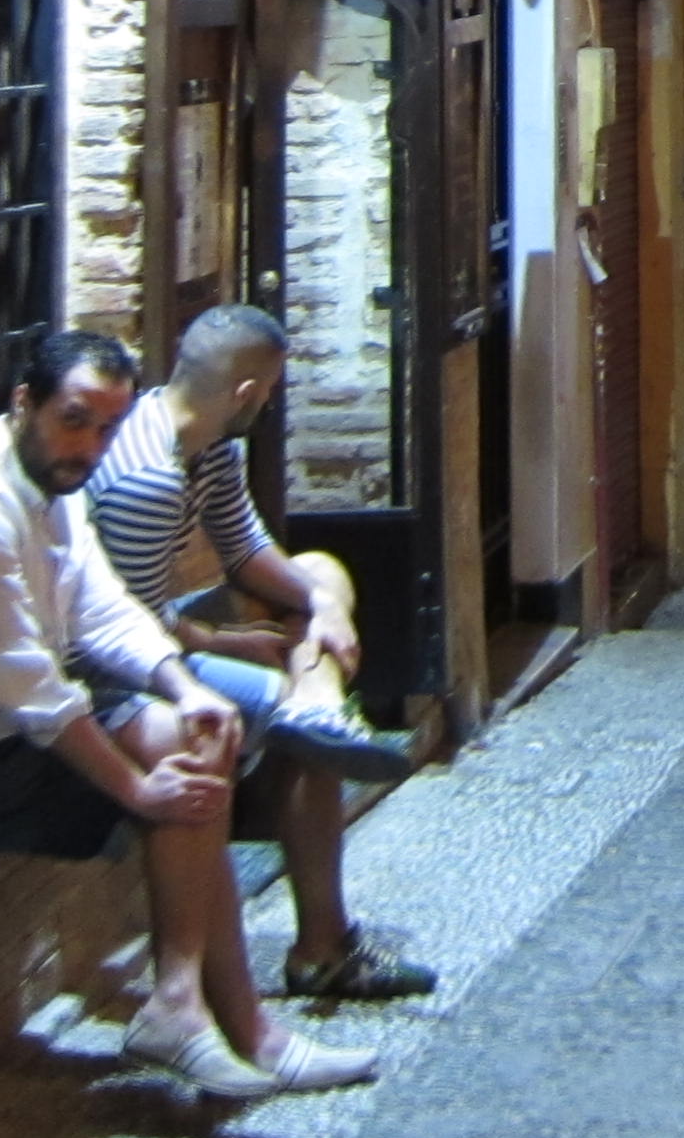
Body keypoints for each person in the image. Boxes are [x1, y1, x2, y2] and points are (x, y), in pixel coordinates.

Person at [0, 328, 374, 1100]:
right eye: (75, 421)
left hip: (22, 722)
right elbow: (37, 693)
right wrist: (136, 790)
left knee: (196, 736)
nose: (89, 446)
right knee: (181, 767)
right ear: (23, 403)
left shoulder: (50, 485)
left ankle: (212, 1018)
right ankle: (212, 1018)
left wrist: (186, 685)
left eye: (105, 428)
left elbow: (105, 611)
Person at [83, 305, 434, 1008]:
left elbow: (246, 551)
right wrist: (219, 642)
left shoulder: (206, 442)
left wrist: (323, 605)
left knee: (321, 569)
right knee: (293, 724)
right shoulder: (146, 478)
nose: (270, 404)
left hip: (160, 631)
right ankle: (324, 948)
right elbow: (120, 624)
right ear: (246, 393)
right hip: (113, 672)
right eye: (269, 392)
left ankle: (319, 704)